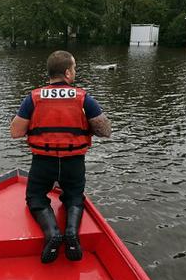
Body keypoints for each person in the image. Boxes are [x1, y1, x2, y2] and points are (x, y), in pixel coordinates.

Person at [10, 50, 111, 263]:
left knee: (36, 198)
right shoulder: (83, 97)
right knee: (74, 196)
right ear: (67, 72)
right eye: (74, 69)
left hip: (43, 162)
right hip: (73, 162)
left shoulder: (34, 97)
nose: (74, 72)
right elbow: (105, 131)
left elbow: (16, 132)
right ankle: (71, 232)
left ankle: (52, 233)